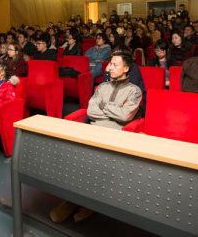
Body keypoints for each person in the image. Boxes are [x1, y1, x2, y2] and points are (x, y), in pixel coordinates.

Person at [50, 50, 142, 223]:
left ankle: (89, 204)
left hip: (113, 136)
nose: (109, 67)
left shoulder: (134, 91)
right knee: (73, 160)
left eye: (115, 64)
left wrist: (104, 106)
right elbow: (91, 110)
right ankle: (70, 201)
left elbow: (125, 116)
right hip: (92, 130)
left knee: (94, 164)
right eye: (110, 64)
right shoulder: (102, 86)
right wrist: (113, 109)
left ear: (126, 68)